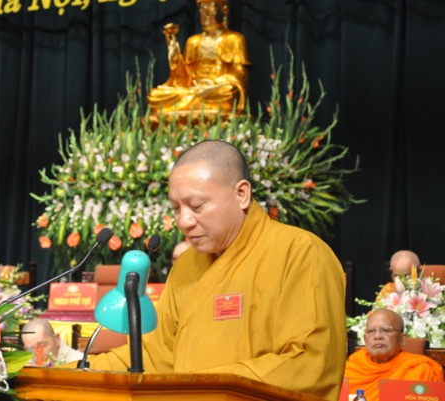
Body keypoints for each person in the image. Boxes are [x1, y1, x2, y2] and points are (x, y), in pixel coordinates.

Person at [76, 140, 346, 400]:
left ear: (241, 194)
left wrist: (199, 390)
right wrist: (75, 373)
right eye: (176, 208)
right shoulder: (186, 266)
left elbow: (309, 363)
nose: (184, 221)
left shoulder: (300, 252)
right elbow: (155, 356)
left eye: (197, 206)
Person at [147, 0, 250, 115]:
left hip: (216, 89)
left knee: (228, 91)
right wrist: (175, 57)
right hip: (193, 89)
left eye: (209, 8)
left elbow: (240, 74)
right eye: (201, 9)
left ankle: (192, 103)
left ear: (224, 9)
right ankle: (192, 103)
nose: (204, 14)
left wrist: (214, 83)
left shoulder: (234, 39)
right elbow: (184, 80)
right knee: (155, 95)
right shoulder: (193, 41)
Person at [344, 309, 443, 401]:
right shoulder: (353, 367)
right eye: (371, 331)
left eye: (386, 330)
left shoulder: (419, 370)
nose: (377, 336)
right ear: (365, 339)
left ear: (402, 339)